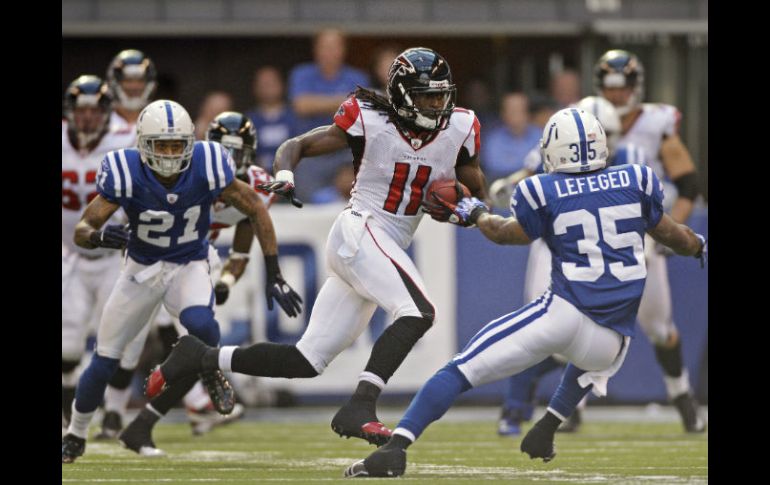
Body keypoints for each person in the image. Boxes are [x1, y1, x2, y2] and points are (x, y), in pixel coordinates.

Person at [145, 47, 486, 447]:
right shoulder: (369, 118)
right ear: (403, 94)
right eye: (428, 95)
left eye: (441, 95)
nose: (437, 104)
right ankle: (360, 406)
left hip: (381, 245)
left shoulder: (461, 127)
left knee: (306, 360)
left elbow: (474, 193)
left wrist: (467, 208)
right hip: (360, 229)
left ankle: (198, 356)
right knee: (418, 311)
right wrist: (286, 174)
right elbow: (297, 145)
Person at [343, 107, 707, 477]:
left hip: (564, 314)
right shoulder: (637, 180)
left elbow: (506, 234)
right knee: (586, 361)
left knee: (459, 369)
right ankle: (547, 426)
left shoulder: (543, 189)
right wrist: (699, 247)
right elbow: (676, 236)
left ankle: (396, 448)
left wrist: (475, 213)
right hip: (613, 340)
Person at [61, 100, 302, 463]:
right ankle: (76, 433)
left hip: (189, 262)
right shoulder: (125, 170)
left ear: (190, 143)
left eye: (177, 145)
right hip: (140, 270)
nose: (171, 154)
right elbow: (84, 225)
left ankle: (205, 370)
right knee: (105, 360)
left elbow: (254, 207)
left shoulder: (210, 163)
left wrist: (274, 271)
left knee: (204, 328)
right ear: (144, 144)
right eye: (162, 146)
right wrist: (96, 237)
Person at [115, 111, 277, 454]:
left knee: (194, 343)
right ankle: (192, 399)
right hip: (154, 257)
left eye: (237, 152)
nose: (231, 159)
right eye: (224, 151)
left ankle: (175, 409)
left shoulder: (254, 187)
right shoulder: (183, 173)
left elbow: (241, 252)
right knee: (148, 340)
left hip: (196, 262)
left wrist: (228, 282)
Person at [488, 96, 622, 435]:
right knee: (543, 332)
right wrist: (511, 186)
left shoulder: (627, 164)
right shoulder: (553, 157)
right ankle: (517, 409)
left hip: (594, 253)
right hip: (555, 247)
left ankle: (563, 408)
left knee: (583, 333)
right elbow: (527, 176)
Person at [596, 49, 705, 432]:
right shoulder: (585, 116)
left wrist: (671, 233)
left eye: (623, 87)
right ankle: (566, 410)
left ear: (635, 86)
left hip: (641, 236)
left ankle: (682, 397)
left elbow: (689, 183)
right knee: (575, 322)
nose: (616, 96)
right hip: (594, 233)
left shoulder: (657, 122)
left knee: (660, 329)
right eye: (610, 89)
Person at [62, 75, 137, 434]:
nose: (87, 117)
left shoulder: (125, 139)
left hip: (114, 255)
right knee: (67, 346)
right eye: (81, 110)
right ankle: (69, 417)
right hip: (70, 255)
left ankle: (113, 414)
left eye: (94, 110)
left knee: (118, 338)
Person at [287, 28, 370, 202]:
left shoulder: (357, 76)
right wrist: (344, 100)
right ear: (316, 50)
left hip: (345, 150)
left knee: (360, 187)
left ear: (343, 50)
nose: (329, 52)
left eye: (334, 47)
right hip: (311, 151)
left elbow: (361, 111)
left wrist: (318, 103)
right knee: (303, 194)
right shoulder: (302, 73)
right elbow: (302, 106)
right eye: (325, 47)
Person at [245, 66, 297, 172]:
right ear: (255, 88)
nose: (268, 87)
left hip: (294, 173)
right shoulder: (248, 120)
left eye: (272, 83)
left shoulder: (296, 115)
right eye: (264, 84)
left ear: (282, 85)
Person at [481, 92, 542, 182]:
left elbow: (546, 164)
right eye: (511, 110)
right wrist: (528, 168)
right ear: (503, 114)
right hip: (502, 189)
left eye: (520, 110)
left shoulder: (540, 135)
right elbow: (493, 165)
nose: (516, 114)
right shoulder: (493, 138)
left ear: (528, 113)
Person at [106, 49, 158, 128]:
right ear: (115, 83)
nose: (134, 87)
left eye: (140, 80)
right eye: (128, 80)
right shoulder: (101, 124)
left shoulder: (159, 120)